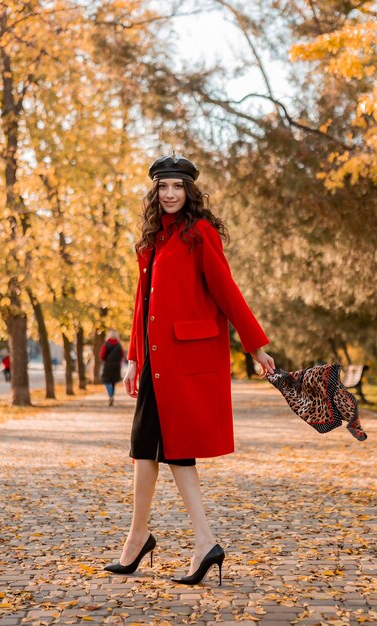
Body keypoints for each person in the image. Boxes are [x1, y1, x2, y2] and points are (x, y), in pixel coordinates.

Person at [103, 153, 275, 585]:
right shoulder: (152, 241)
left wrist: (256, 346)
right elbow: (143, 303)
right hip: (156, 361)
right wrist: (133, 357)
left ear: (189, 191)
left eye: (178, 187)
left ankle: (176, 541)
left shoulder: (200, 233)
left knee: (168, 450)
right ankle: (159, 538)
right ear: (155, 192)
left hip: (184, 361)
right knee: (147, 447)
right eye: (163, 187)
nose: (171, 194)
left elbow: (226, 290)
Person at [100, 330, 124, 406]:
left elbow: (102, 356)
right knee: (113, 381)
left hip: (108, 365)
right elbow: (122, 355)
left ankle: (110, 395)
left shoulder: (106, 344)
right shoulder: (119, 345)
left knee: (106, 380)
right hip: (116, 366)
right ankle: (112, 396)